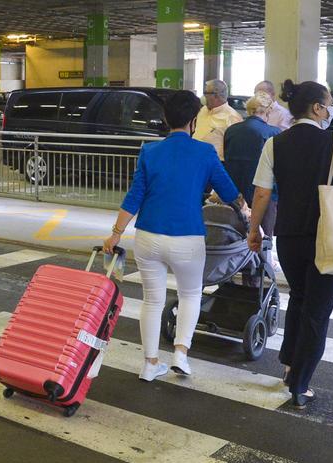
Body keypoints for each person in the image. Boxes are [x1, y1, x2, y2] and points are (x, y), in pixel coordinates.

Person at [104, 90, 249, 382]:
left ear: (165, 119)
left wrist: (116, 234)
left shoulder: (150, 151)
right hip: (187, 237)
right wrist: (246, 212)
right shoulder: (205, 152)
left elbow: (134, 197)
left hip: (148, 237)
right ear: (194, 121)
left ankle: (149, 363)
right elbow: (230, 192)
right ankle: (181, 355)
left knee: (152, 301)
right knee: (190, 294)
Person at [246, 80, 333, 409]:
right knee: (317, 310)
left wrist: (254, 229)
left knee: (299, 299)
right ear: (317, 108)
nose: (330, 110)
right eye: (328, 104)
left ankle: (288, 364)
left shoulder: (275, 143)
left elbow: (261, 192)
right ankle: (300, 384)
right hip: (327, 236)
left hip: (288, 237)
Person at [224, 96, 282, 238]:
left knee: (235, 238)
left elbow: (226, 159)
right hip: (264, 196)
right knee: (263, 242)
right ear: (268, 111)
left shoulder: (231, 131)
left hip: (236, 196)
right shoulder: (273, 133)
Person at [192, 79, 242, 161]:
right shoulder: (203, 110)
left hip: (215, 163)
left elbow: (235, 149)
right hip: (196, 160)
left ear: (216, 95)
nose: (203, 96)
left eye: (206, 93)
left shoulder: (232, 117)